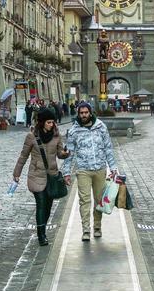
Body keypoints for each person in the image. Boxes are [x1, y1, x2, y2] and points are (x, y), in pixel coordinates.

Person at [62, 100, 117, 242]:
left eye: (86, 112)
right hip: (83, 170)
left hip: (100, 169)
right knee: (84, 201)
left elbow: (108, 148)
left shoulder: (100, 127)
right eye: (81, 113)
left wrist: (113, 168)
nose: (84, 115)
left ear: (90, 112)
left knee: (99, 200)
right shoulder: (74, 131)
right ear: (78, 114)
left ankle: (97, 227)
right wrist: (66, 172)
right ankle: (85, 229)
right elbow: (69, 153)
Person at [13, 107, 67, 246]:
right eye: (49, 122)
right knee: (41, 204)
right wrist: (16, 174)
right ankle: (41, 235)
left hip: (51, 175)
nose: (52, 124)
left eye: (53, 122)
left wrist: (65, 153)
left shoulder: (56, 135)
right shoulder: (31, 137)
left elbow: (60, 153)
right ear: (42, 122)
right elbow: (23, 156)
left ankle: (42, 227)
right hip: (36, 175)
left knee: (48, 206)